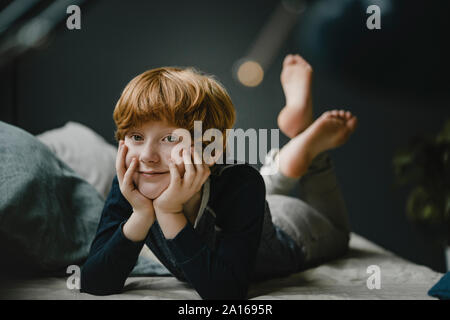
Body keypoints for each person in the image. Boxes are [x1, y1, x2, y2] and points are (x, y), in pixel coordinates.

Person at [80, 54, 358, 299]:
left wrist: (168, 211)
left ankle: (312, 151)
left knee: (336, 232)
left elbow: (226, 293)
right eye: (136, 137)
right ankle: (297, 145)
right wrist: (141, 214)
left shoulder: (242, 184)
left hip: (290, 231)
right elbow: (93, 282)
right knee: (256, 191)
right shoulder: (134, 182)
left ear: (209, 149)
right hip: (246, 207)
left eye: (168, 139)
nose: (147, 156)